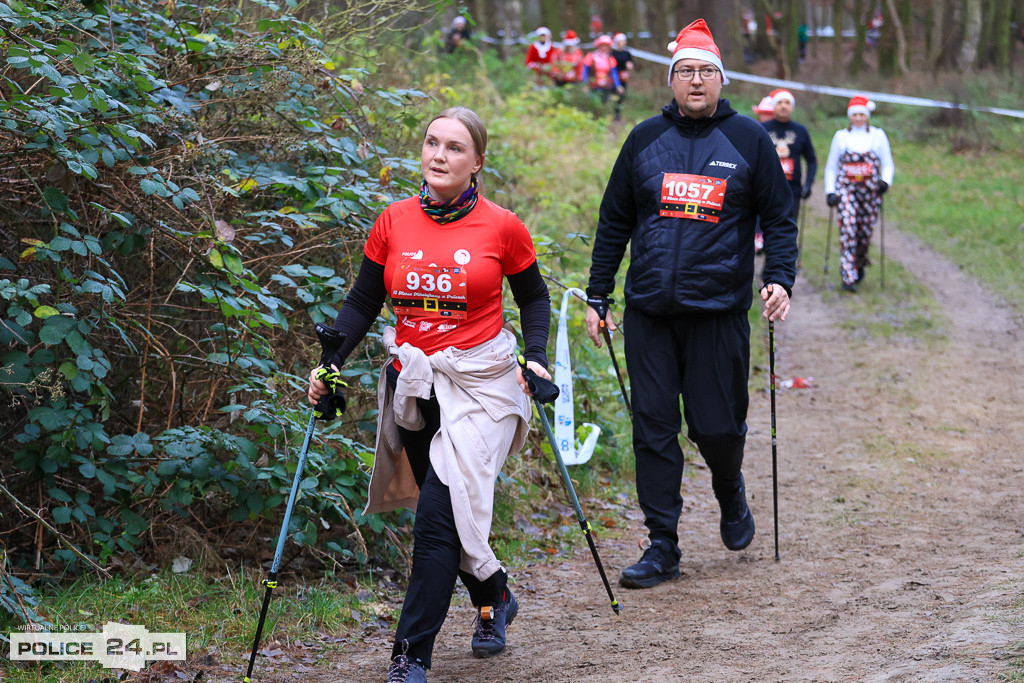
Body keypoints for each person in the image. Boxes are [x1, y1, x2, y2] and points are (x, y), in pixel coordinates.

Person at [307, 107, 552, 682]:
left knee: (438, 521)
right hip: (416, 385)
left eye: (455, 148)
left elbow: (535, 299)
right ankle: (493, 592)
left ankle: (409, 655)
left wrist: (535, 356)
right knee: (452, 512)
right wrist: (330, 364)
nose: (439, 156)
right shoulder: (392, 221)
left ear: (477, 162)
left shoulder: (502, 226)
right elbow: (364, 303)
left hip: (484, 385)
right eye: (432, 143)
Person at [584, 18, 797, 590]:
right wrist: (598, 295)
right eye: (686, 72)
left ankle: (730, 489)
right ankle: (662, 545)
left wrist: (779, 279)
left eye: (706, 71)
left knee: (716, 428)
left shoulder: (750, 139)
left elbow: (779, 218)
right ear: (671, 80)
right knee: (653, 428)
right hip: (650, 312)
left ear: (721, 79)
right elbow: (613, 222)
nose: (696, 81)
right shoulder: (643, 140)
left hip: (718, 313)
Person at [824, 96, 894, 292]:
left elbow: (887, 164)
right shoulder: (841, 137)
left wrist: (885, 182)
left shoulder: (877, 136)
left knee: (863, 232)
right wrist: (830, 191)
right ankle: (847, 274)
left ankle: (859, 261)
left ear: (867, 116)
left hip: (870, 193)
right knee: (848, 228)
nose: (858, 118)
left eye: (861, 114)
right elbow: (831, 167)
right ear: (849, 116)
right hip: (847, 191)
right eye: (854, 114)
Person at [761, 88, 817, 224]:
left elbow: (811, 160)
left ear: (792, 107)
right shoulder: (762, 129)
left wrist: (808, 184)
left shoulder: (800, 131)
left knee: (788, 228)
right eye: (779, 102)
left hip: (792, 191)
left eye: (787, 103)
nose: (783, 106)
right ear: (774, 106)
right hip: (766, 190)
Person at [582, 34, 624, 119]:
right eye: (603, 45)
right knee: (593, 102)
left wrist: (618, 85)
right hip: (593, 86)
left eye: (606, 46)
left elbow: (614, 73)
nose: (604, 48)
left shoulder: (611, 59)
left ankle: (602, 119)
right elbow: (585, 72)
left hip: (606, 86)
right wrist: (584, 84)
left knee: (604, 103)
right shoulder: (590, 57)